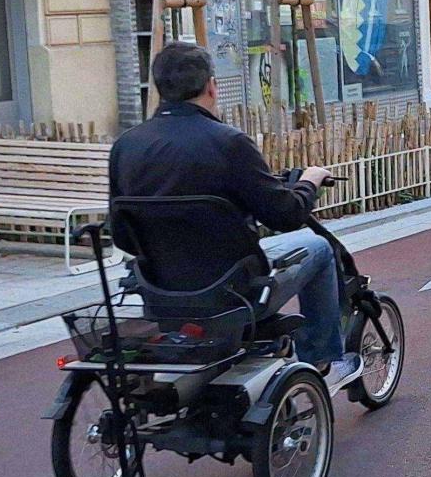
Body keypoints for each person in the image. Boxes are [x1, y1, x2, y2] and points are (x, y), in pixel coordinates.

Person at [109, 41, 360, 386]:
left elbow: (121, 233)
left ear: (159, 88)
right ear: (211, 86)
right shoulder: (228, 142)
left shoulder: (127, 145)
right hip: (232, 289)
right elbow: (284, 216)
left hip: (160, 288)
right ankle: (319, 360)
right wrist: (309, 183)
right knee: (318, 248)